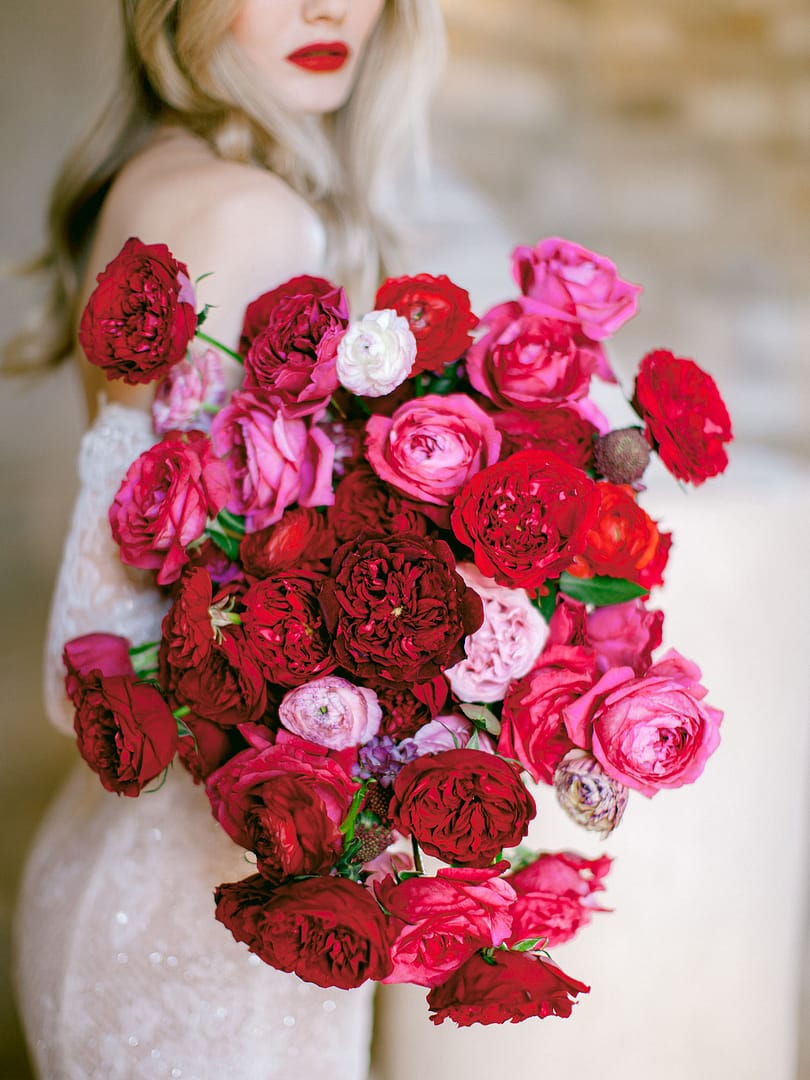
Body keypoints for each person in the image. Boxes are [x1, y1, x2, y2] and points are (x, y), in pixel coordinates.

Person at [10, 2, 445, 1077]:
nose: (328, 7)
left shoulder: (162, 172)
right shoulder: (252, 213)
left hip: (128, 882)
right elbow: (96, 654)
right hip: (200, 926)